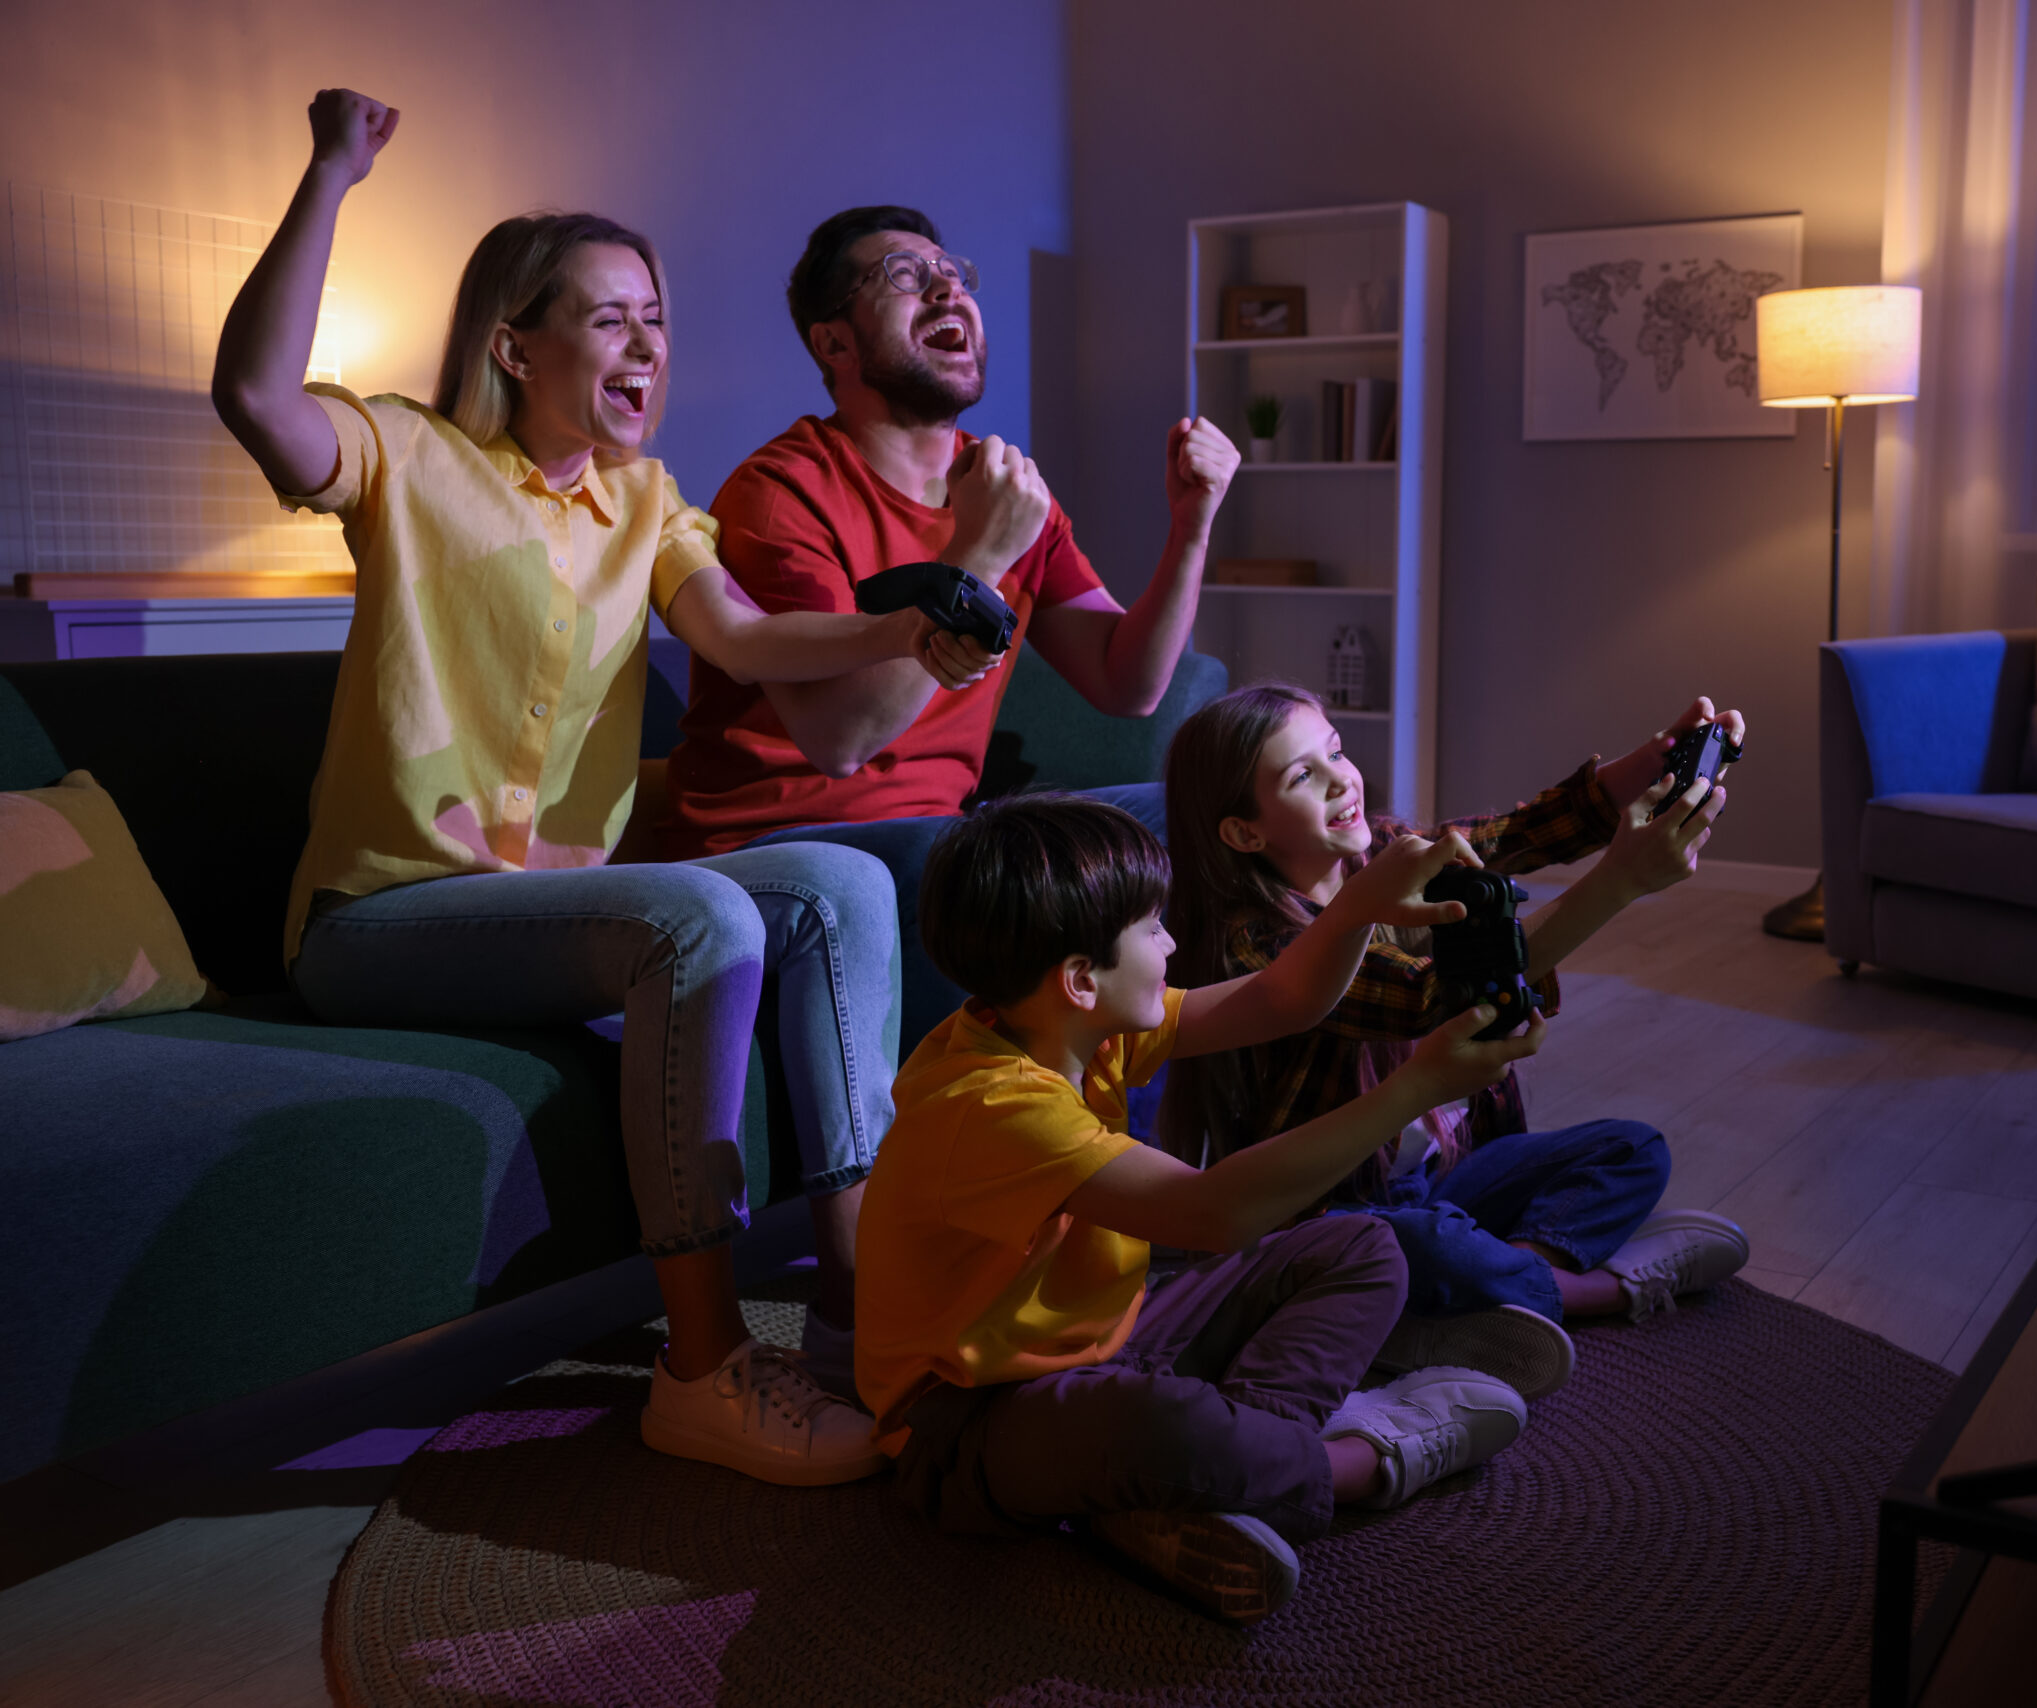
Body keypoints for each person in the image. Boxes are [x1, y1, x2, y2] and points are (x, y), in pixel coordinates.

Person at [213, 90, 911, 1486]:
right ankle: (705, 1370)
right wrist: (330, 173)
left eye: (655, 317)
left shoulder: (646, 504)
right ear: (512, 343)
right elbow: (254, 399)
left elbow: (755, 642)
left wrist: (914, 625)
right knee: (702, 920)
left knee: (839, 879)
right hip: (385, 921)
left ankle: (859, 1313)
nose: (647, 342)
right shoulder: (406, 454)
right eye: (608, 318)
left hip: (555, 906)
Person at [856, 795, 1540, 1624]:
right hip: (967, 1425)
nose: (1173, 943)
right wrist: (1418, 1088)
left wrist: (1359, 904)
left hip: (1116, 1344)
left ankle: (1213, 1484)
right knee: (1163, 1431)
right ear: (1080, 979)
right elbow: (1214, 1214)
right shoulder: (991, 1103)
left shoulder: (1063, 1026)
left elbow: (1282, 999)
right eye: (1152, 930)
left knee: (1362, 1248)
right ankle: (1359, 1460)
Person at [657, 205, 1239, 1050]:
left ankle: (1198, 1137)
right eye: (901, 276)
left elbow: (1129, 682)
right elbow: (842, 737)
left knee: (1207, 811)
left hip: (943, 837)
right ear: (835, 345)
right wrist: (978, 552)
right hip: (774, 850)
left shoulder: (1003, 495)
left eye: (953, 274)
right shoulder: (784, 493)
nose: (944, 288)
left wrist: (1191, 524)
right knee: (985, 864)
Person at [1158, 683, 1756, 1400]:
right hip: (1337, 1212)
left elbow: (1520, 832)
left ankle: (1482, 1292)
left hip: (1440, 1176)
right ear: (1245, 833)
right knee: (1421, 1242)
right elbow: (1431, 996)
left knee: (1632, 1150)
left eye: (1336, 752)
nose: (1340, 779)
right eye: (1301, 776)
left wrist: (1660, 759)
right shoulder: (1256, 945)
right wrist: (1619, 881)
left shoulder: (1380, 850)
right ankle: (1592, 1292)